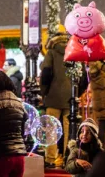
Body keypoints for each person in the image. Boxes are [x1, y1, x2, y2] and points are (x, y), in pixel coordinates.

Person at [40, 30, 72, 168]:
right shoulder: (74, 51)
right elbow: (83, 76)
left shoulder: (51, 52)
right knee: (68, 128)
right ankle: (68, 157)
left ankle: (50, 159)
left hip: (53, 96)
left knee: (51, 128)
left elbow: (46, 74)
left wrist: (44, 92)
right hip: (70, 98)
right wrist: (77, 92)